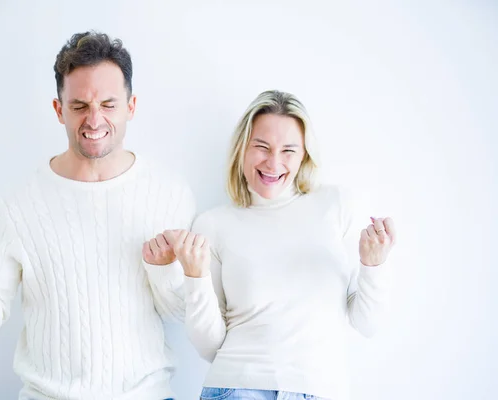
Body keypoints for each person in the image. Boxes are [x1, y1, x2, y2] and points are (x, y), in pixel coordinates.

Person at [0, 31, 194, 400]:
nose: (94, 120)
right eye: (79, 106)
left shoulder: (170, 193)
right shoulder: (16, 205)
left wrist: (164, 267)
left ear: (131, 106)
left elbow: (180, 313)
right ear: (59, 110)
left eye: (108, 104)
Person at [167, 90, 396, 400]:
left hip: (319, 389)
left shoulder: (336, 205)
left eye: (288, 150)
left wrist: (374, 264)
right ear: (242, 149)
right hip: (236, 387)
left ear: (304, 155)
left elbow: (367, 324)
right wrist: (195, 279)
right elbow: (209, 346)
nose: (273, 163)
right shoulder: (214, 224)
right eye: (261, 147)